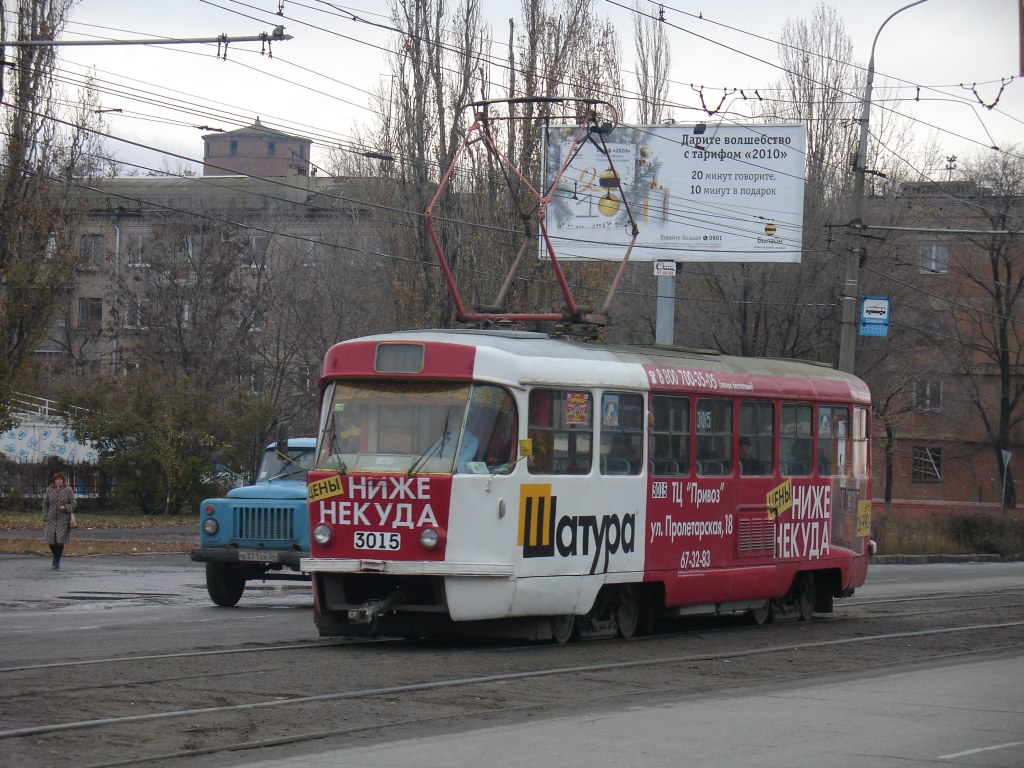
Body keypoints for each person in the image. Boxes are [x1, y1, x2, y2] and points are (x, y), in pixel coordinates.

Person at [42, 471, 76, 570]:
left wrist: (65, 507)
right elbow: (45, 504)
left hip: (63, 519)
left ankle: (57, 561)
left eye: (60, 479)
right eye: (57, 479)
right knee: (51, 541)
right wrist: (45, 515)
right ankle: (56, 556)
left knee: (60, 541)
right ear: (54, 481)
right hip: (51, 519)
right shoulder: (49, 490)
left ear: (63, 480)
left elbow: (74, 503)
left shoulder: (68, 490)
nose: (58, 481)